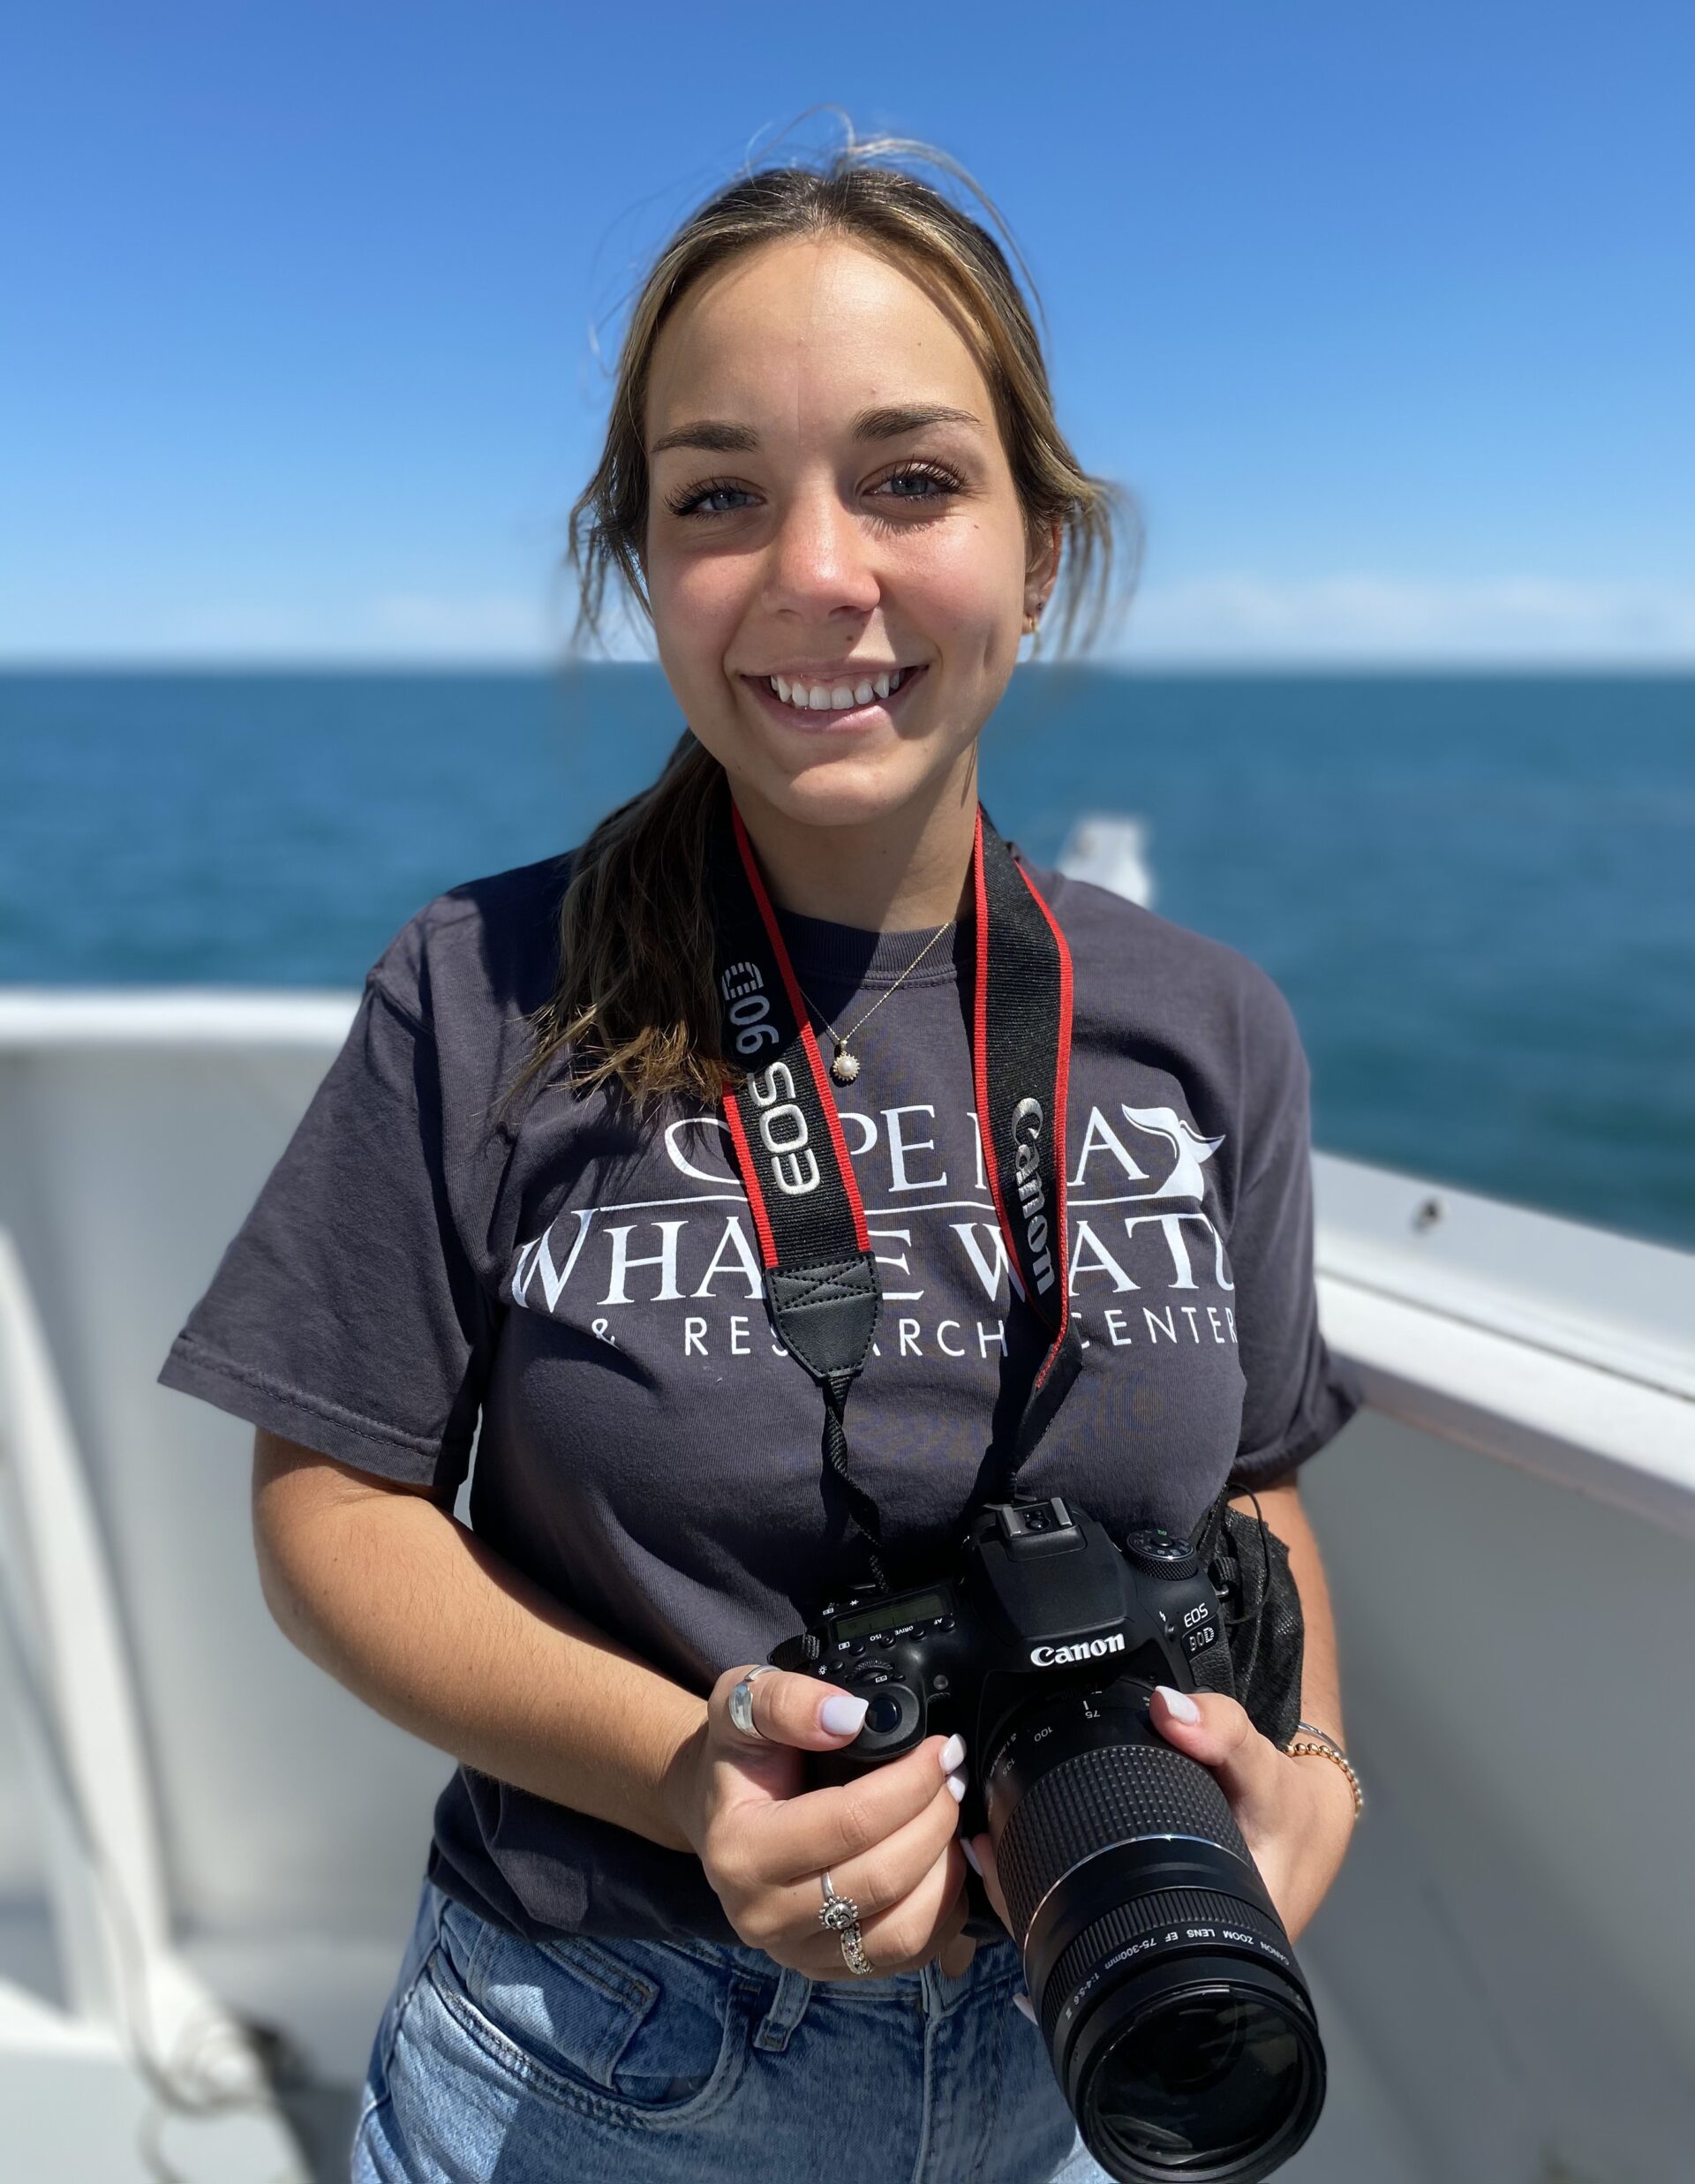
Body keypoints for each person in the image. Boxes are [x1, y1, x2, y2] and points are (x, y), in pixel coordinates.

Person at [155, 133, 1366, 2184]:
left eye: (911, 477)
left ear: (1040, 545)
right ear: (644, 567)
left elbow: (1253, 1482)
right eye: (719, 496)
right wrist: (688, 1769)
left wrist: (1315, 1763)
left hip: (1104, 2032)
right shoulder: (481, 986)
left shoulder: (1206, 1019)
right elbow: (328, 1507)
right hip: (600, 2053)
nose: (822, 573)